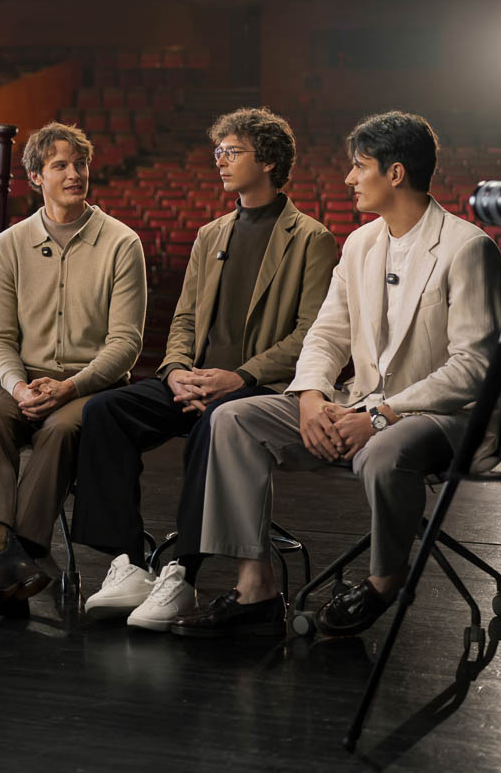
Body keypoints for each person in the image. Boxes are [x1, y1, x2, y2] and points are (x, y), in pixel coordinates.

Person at [169, 110, 501, 638]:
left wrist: (379, 416)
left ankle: (384, 581)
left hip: (442, 416)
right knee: (232, 420)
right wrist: (310, 397)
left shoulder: (467, 247)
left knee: (383, 450)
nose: (349, 178)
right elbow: (326, 334)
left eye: (359, 167)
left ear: (395, 173)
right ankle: (255, 589)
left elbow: (473, 369)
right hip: (359, 402)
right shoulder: (360, 244)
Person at [70, 108, 336, 631]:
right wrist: (174, 371)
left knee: (216, 424)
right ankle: (127, 562)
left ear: (269, 160)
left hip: (257, 388)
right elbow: (185, 319)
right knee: (105, 411)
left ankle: (182, 575)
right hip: (195, 381)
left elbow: (310, 334)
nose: (220, 161)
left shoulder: (311, 238)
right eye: (218, 151)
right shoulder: (211, 234)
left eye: (232, 152)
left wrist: (239, 377)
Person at [0, 122, 147, 624]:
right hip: (22, 377)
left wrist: (69, 387)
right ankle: (3, 561)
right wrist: (18, 387)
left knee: (60, 429)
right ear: (36, 176)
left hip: (91, 383)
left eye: (81, 164)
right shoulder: (9, 245)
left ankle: (15, 559)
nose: (75, 174)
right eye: (61, 165)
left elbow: (126, 345)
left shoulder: (122, 243)